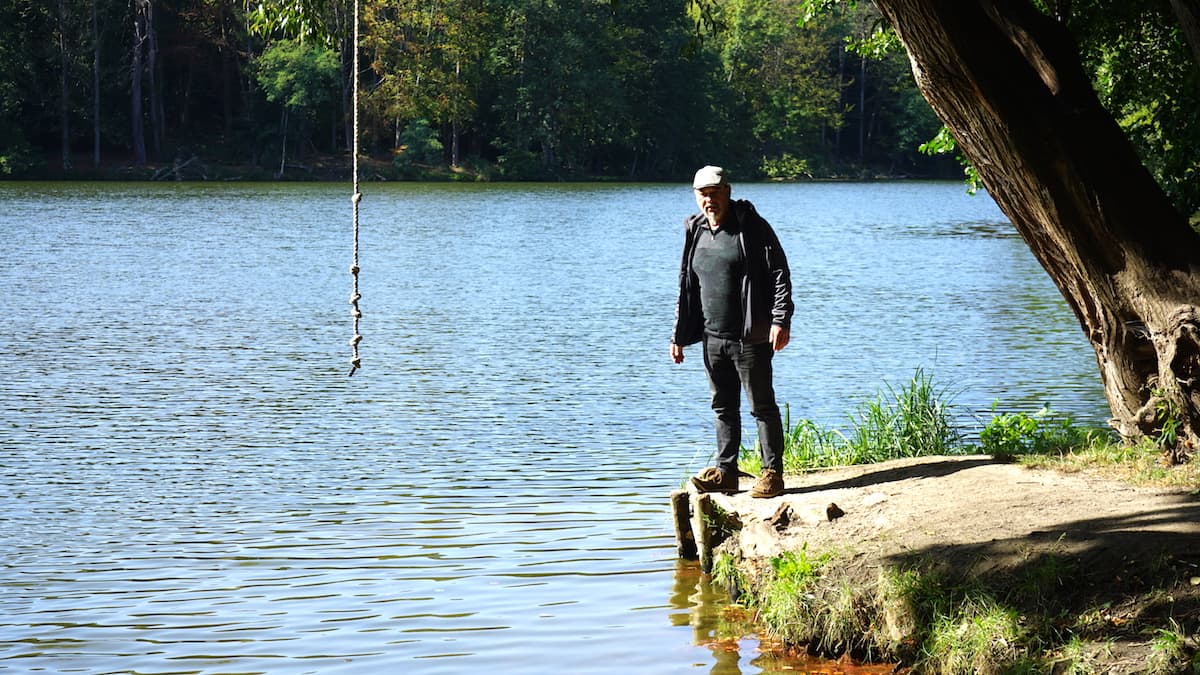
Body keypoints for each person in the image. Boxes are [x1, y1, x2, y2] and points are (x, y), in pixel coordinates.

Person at [671, 165, 794, 498]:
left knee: (762, 406)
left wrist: (780, 320)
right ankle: (727, 473)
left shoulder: (751, 227)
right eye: (703, 194)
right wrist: (679, 335)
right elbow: (687, 284)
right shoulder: (694, 229)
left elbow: (780, 274)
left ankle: (772, 474)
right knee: (722, 407)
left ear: (727, 190)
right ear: (696, 196)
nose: (709, 200)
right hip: (712, 337)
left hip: (750, 337)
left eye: (714, 192)